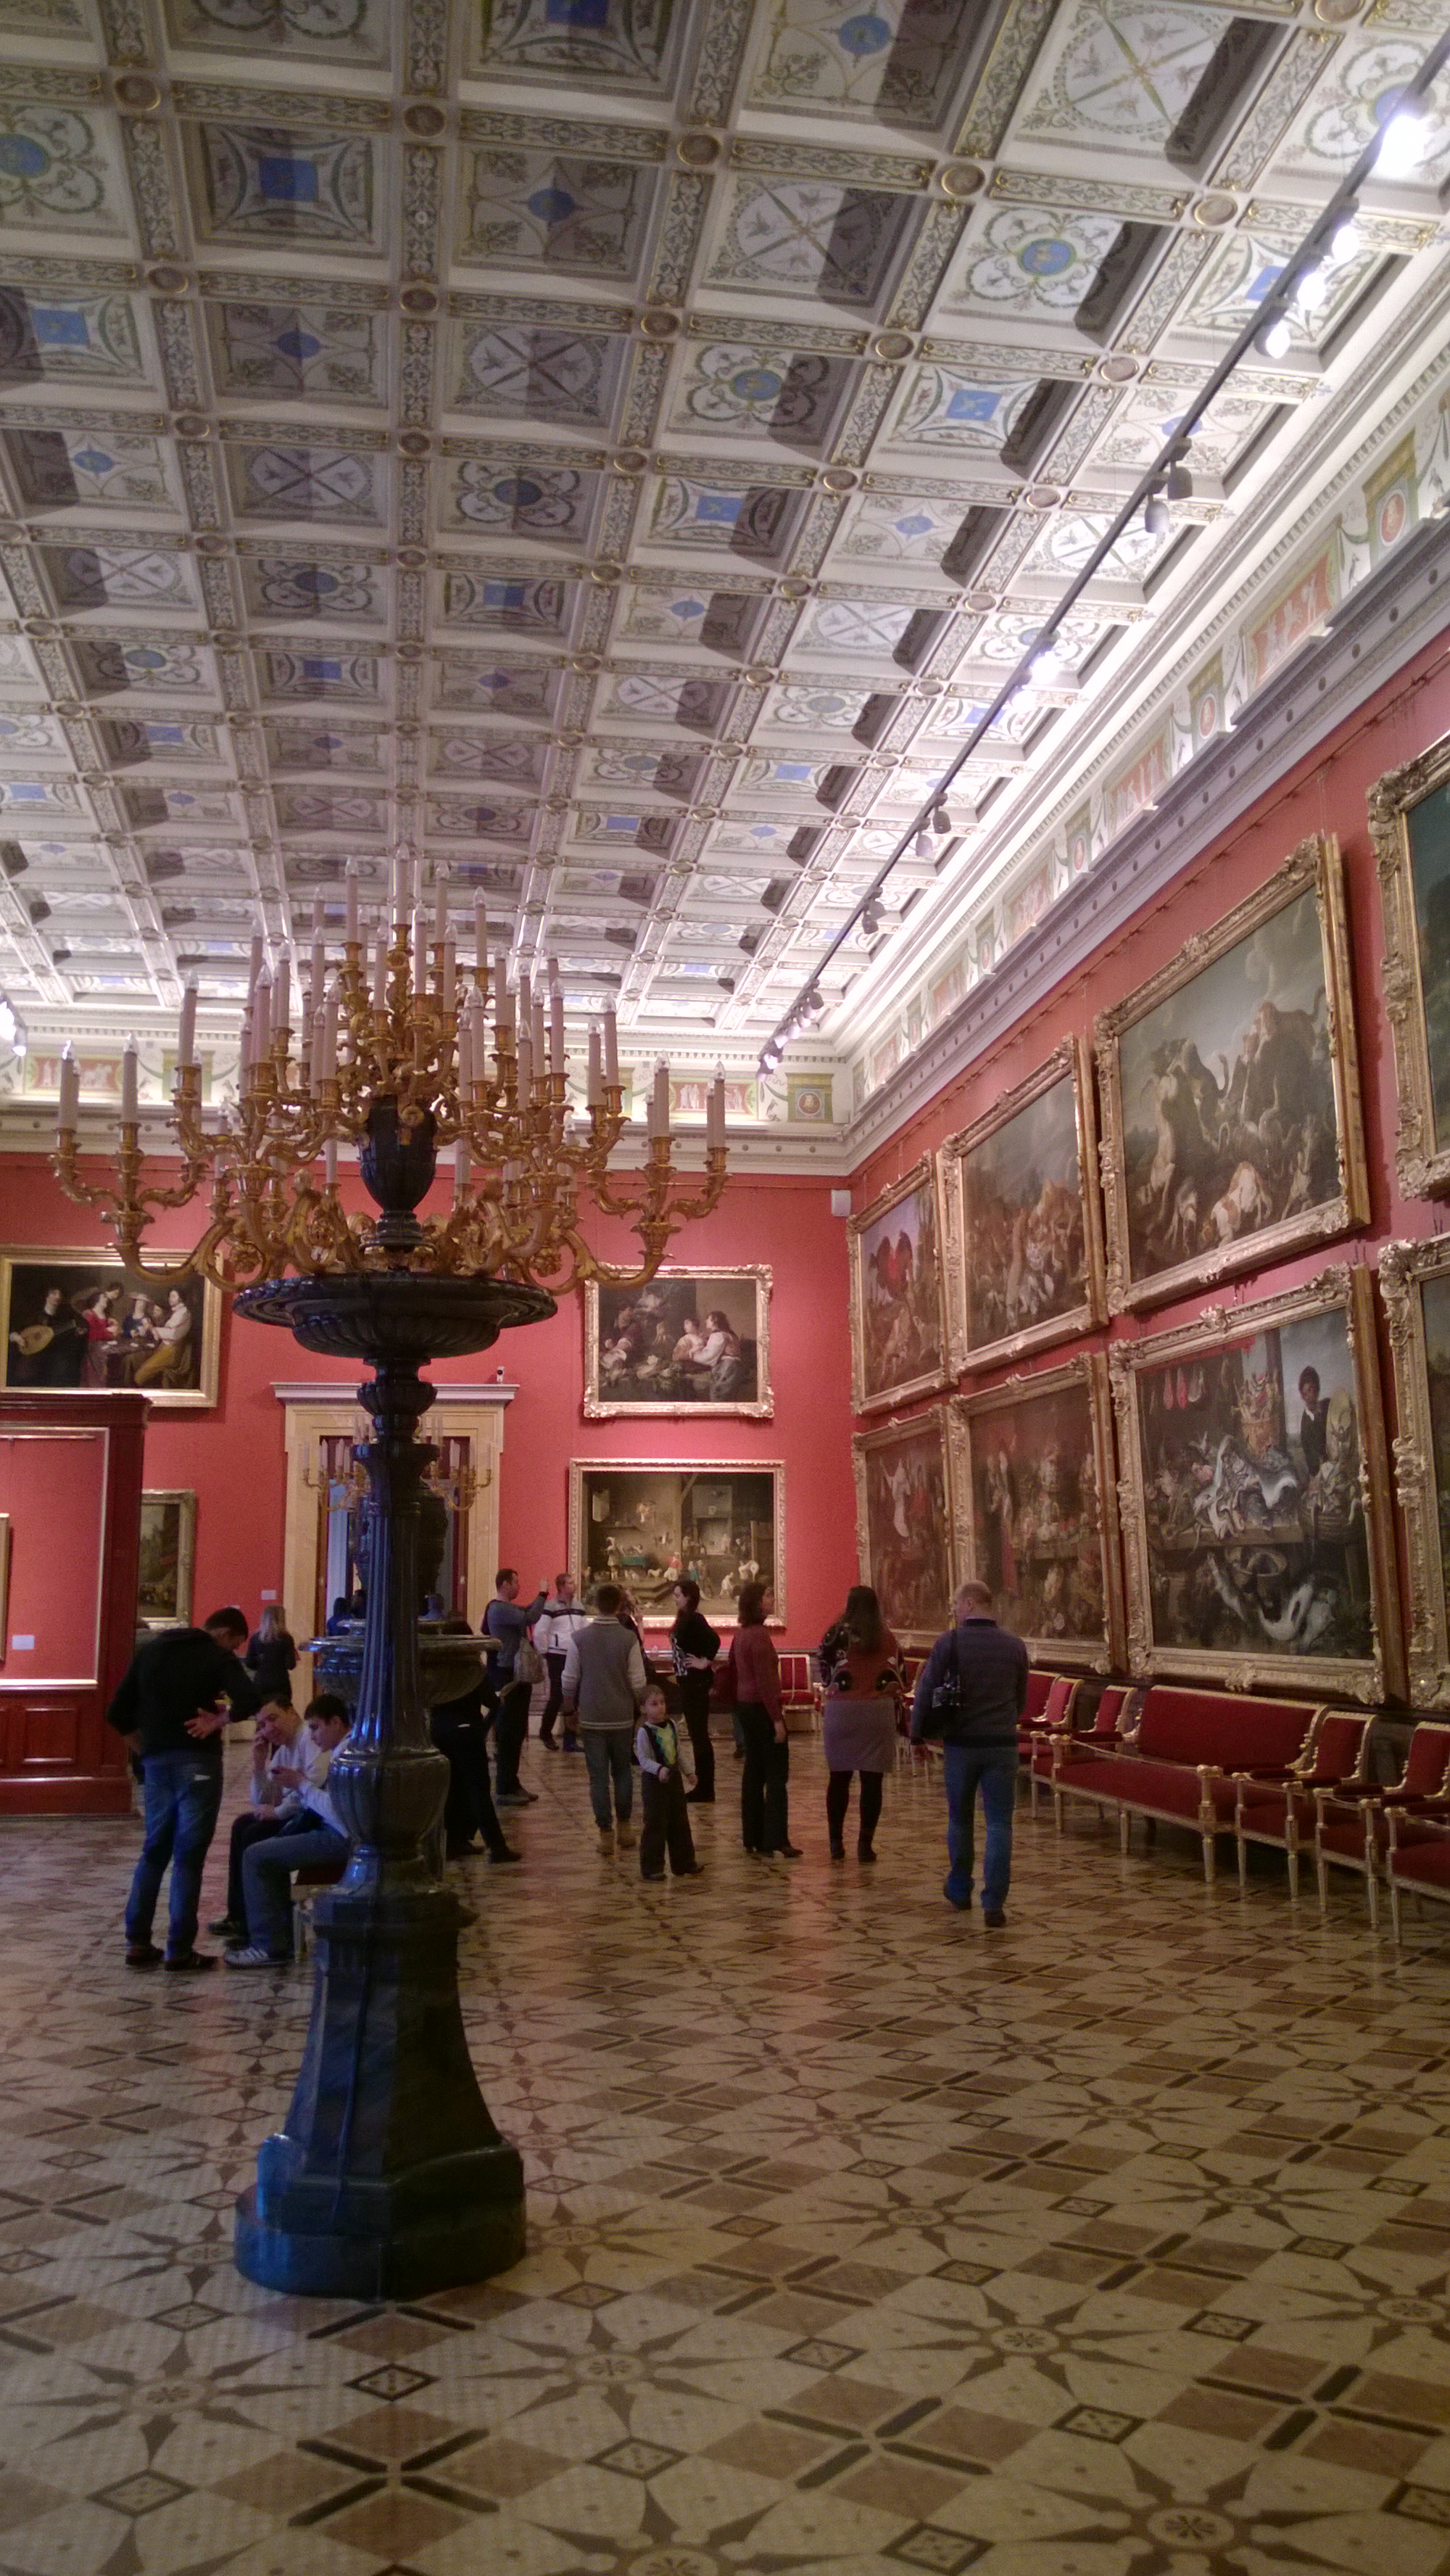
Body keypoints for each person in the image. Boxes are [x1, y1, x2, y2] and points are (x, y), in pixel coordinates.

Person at [104, 1606, 261, 1970]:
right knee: (188, 1857)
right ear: (224, 1633)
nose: (234, 1649)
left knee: (153, 1851)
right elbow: (250, 1700)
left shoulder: (151, 1651)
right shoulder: (215, 1655)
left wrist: (146, 1750)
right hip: (198, 1763)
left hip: (157, 1764)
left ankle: (137, 1943)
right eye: (235, 1643)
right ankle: (179, 1950)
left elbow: (116, 1713)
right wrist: (219, 1721)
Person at [911, 1579, 1028, 1925]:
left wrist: (917, 1735)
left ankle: (960, 1889)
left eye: (956, 1604)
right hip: (1002, 1746)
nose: (954, 1610)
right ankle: (994, 1904)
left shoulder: (950, 1642)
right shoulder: (1015, 1646)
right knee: (999, 1825)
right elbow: (1020, 1698)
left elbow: (926, 1690)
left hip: (961, 1745)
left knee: (960, 1819)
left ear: (971, 1604)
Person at [225, 1700, 352, 1968]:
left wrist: (299, 1787)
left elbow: (337, 1814)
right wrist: (259, 1766)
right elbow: (262, 1799)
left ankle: (268, 1944)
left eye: (316, 1727)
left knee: (256, 1853)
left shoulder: (342, 1753)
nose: (268, 1729)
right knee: (247, 1830)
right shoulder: (327, 1750)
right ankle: (257, 1928)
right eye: (262, 1724)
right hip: (326, 1825)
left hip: (339, 1836)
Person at [818, 1585, 902, 1865]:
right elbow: (899, 1676)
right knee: (872, 1780)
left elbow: (825, 1671)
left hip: (842, 1711)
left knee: (839, 1778)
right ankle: (865, 1845)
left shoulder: (835, 1634)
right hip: (877, 1713)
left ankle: (836, 1842)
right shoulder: (886, 1636)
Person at [561, 1581, 645, 1850]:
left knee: (598, 1777)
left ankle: (605, 1834)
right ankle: (625, 1828)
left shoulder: (579, 1638)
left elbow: (569, 1680)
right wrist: (642, 1711)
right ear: (620, 1605)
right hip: (622, 1715)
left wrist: (569, 1710)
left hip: (591, 1715)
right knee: (623, 1772)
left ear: (596, 1604)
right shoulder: (629, 1639)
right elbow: (639, 1682)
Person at [431, 1640, 519, 1867]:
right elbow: (489, 1700)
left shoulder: (435, 1665)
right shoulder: (471, 1668)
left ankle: (454, 1841)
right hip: (466, 1731)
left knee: (452, 1787)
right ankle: (497, 1846)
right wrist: (498, 1702)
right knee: (478, 1789)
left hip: (439, 1729)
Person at [729, 1582, 798, 1859]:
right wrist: (777, 1720)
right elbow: (766, 1682)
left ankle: (753, 1837)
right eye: (768, 1595)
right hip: (761, 1709)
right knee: (777, 1775)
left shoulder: (742, 1633)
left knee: (754, 1773)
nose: (773, 1598)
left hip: (746, 1707)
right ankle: (776, 1839)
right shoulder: (758, 1635)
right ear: (758, 1602)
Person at [484, 1569, 546, 1806]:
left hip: (516, 1675)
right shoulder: (499, 1609)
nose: (519, 1586)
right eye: (516, 1582)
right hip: (508, 1675)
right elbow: (530, 1616)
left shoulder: (506, 1609)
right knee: (509, 1732)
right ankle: (504, 1787)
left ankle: (512, 1783)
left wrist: (538, 1600)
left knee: (517, 1731)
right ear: (505, 1584)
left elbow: (526, 1611)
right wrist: (542, 1594)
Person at [635, 1683, 703, 1881]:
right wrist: (658, 1769)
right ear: (643, 1709)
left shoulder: (672, 1725)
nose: (660, 1707)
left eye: (662, 1702)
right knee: (655, 1823)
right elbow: (643, 1759)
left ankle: (684, 1862)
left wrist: (689, 1772)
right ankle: (652, 1867)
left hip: (673, 1780)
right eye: (654, 1704)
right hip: (654, 1782)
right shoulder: (644, 1732)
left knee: (680, 1820)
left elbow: (678, 1752)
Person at [671, 1579, 720, 1804]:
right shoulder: (687, 1618)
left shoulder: (695, 1619)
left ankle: (706, 1788)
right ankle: (704, 1786)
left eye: (678, 1595)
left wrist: (704, 1662)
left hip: (696, 1684)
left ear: (688, 1597)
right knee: (697, 1735)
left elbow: (714, 1640)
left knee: (699, 1736)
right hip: (689, 1683)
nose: (675, 1599)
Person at [534, 1574, 589, 1751]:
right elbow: (540, 1631)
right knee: (557, 1695)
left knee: (574, 1696)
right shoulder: (550, 1607)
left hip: (576, 1655)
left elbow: (584, 1630)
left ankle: (569, 1739)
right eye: (570, 1583)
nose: (574, 1585)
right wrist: (545, 1652)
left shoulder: (579, 1606)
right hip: (557, 1655)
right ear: (561, 1586)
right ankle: (545, 1732)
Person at [245, 1602, 298, 1704]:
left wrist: (262, 1663)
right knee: (281, 1710)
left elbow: (249, 1663)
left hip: (261, 1681)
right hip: (281, 1682)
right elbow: (290, 1665)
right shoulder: (286, 1638)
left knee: (262, 1710)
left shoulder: (256, 1638)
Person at [1298, 1367, 1331, 1478]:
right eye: (1305, 1393)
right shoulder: (1305, 1423)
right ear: (1302, 1396)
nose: (1309, 1396)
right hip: (1320, 1472)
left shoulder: (1327, 1406)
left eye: (1311, 1390)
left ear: (1317, 1390)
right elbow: (1310, 1456)